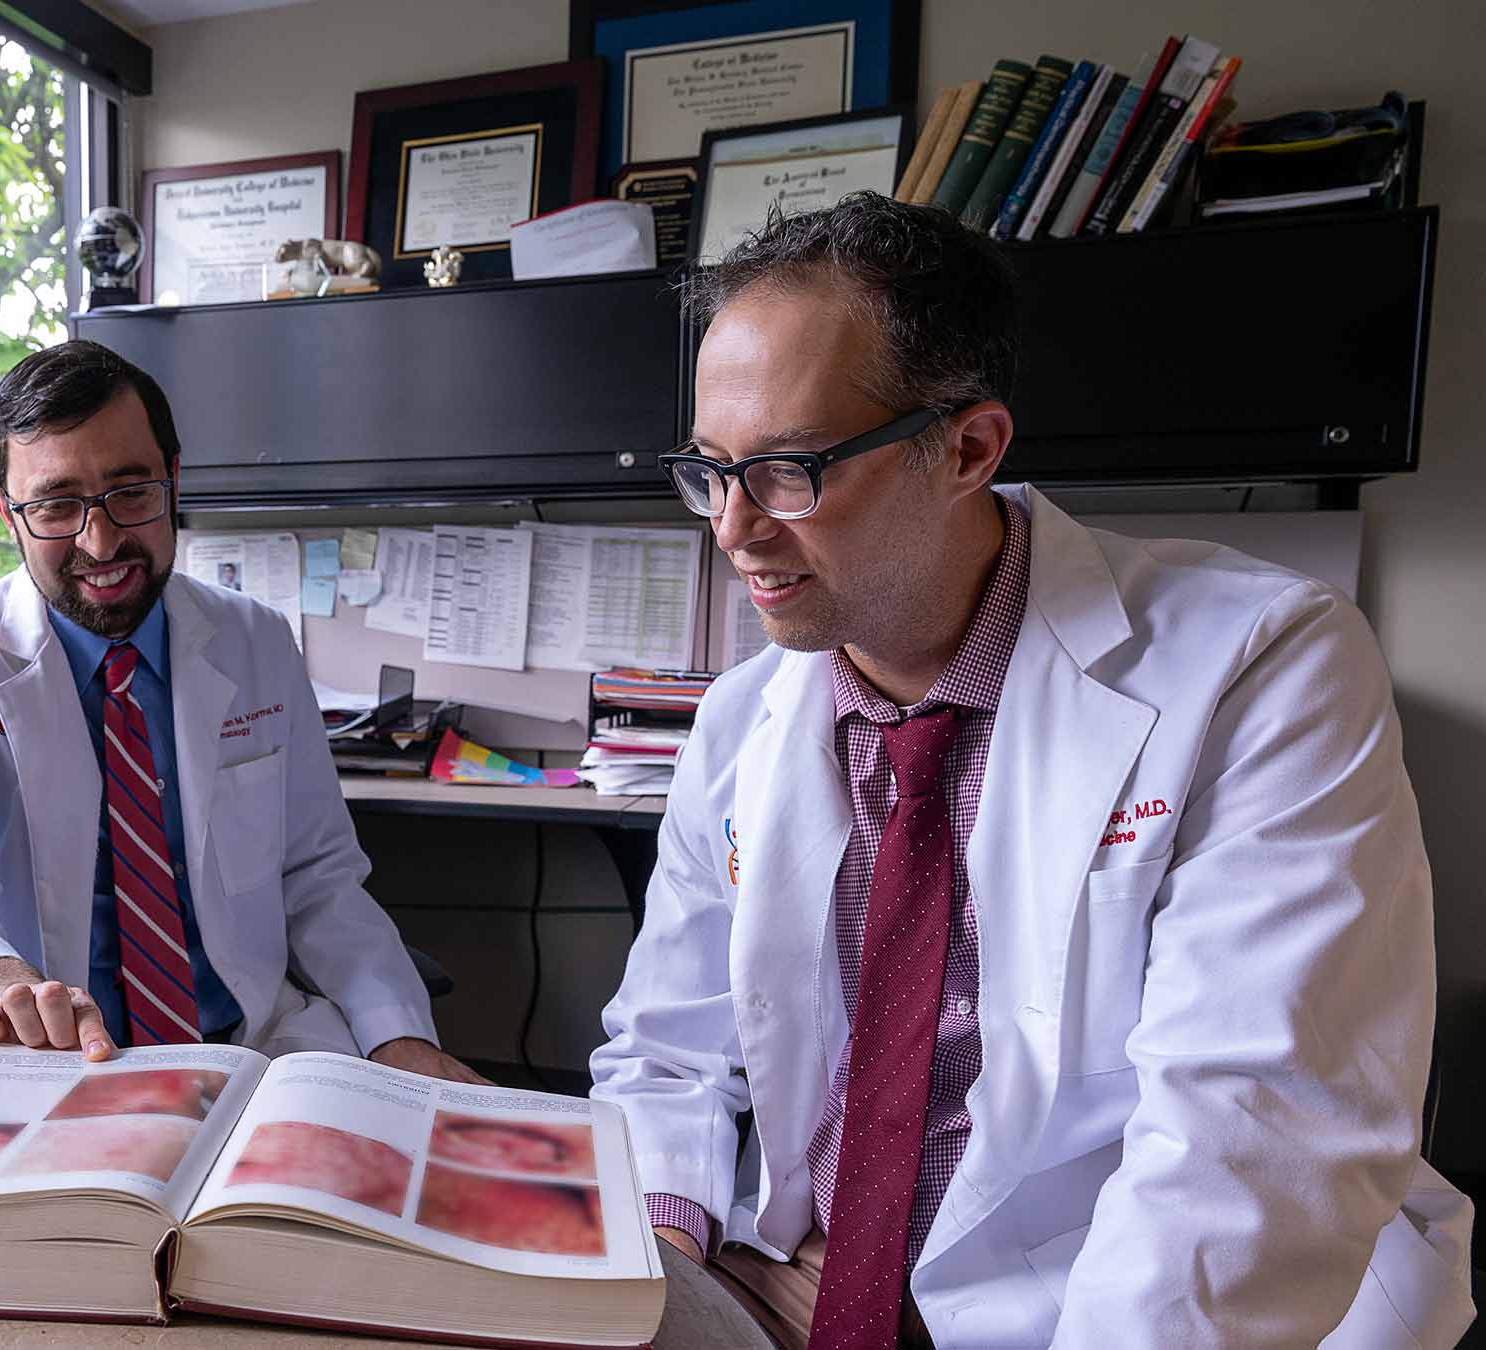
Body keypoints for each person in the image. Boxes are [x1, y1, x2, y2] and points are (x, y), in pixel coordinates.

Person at [592, 194, 1473, 1349]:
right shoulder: (747, 714)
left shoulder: (1261, 666)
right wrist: (669, 1258)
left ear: (967, 448)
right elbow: (668, 1045)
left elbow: (1245, 1137)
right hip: (797, 1276)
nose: (735, 530)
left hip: (1114, 1294)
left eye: (790, 470)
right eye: (709, 472)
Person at [0, 340, 479, 1081]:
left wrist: (397, 1037)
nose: (100, 540)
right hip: (41, 1057)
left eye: (130, 492)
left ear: (173, 480)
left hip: (253, 1048)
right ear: (6, 512)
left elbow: (317, 877)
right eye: (56, 505)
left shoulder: (255, 641)